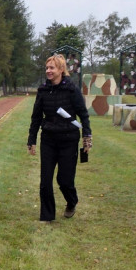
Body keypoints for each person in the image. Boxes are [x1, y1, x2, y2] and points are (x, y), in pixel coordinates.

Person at [27, 53, 93, 222]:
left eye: (52, 68)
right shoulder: (42, 90)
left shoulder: (71, 89)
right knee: (45, 181)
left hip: (68, 140)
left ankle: (72, 201)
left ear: (61, 70)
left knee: (64, 180)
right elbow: (36, 117)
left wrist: (87, 137)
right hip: (48, 139)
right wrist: (32, 139)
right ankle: (47, 217)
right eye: (47, 68)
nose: (48, 71)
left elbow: (83, 115)